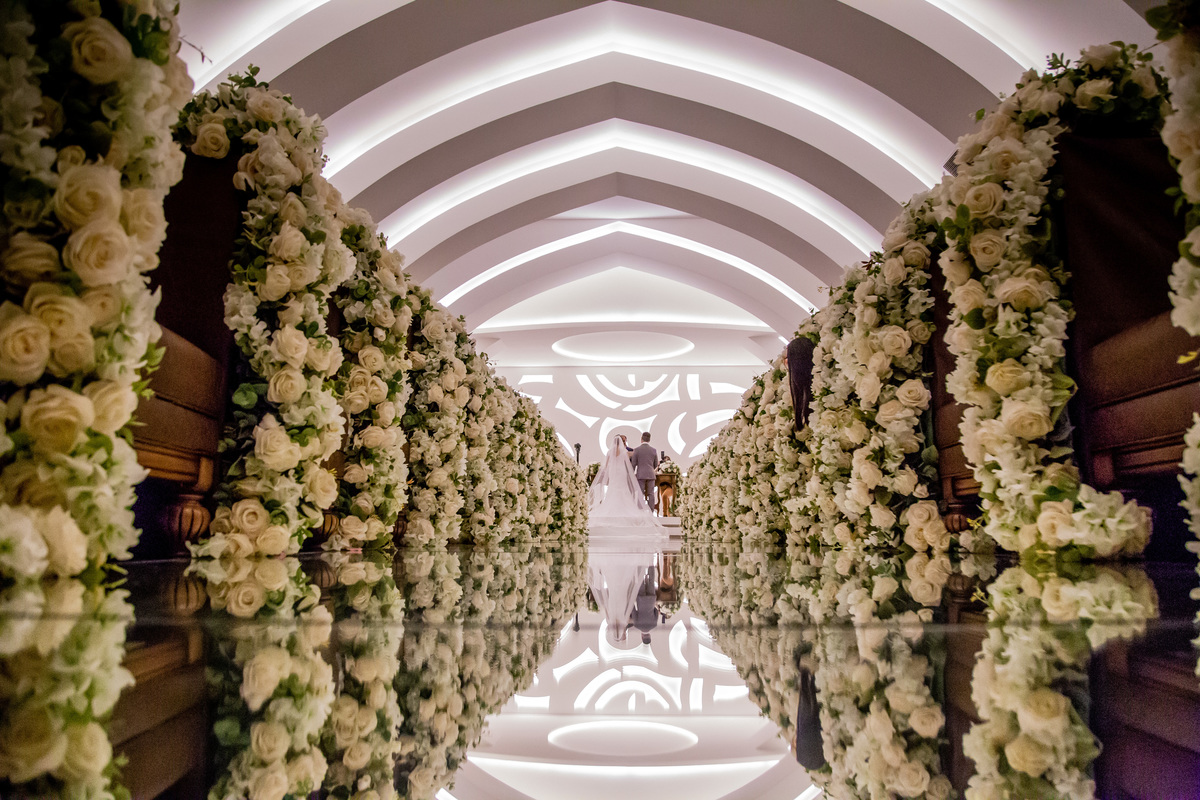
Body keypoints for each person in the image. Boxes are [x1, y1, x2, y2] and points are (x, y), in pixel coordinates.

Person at [588, 434, 666, 530]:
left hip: (613, 472)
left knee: (613, 489)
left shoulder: (609, 452)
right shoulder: (624, 451)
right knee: (623, 489)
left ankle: (612, 507)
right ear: (621, 442)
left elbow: (607, 464)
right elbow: (629, 464)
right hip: (622, 472)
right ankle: (639, 510)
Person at [629, 432, 659, 511]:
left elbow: (634, 464)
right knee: (651, 493)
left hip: (641, 474)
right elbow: (656, 464)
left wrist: (631, 473)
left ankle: (640, 510)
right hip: (651, 474)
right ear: (649, 439)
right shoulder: (653, 450)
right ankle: (651, 511)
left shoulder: (637, 450)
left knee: (640, 493)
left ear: (641, 439)